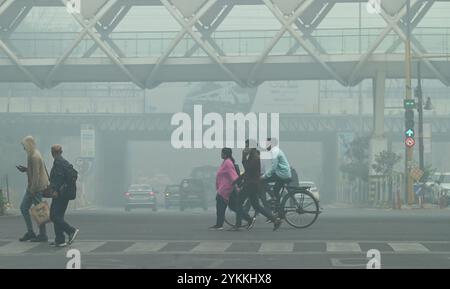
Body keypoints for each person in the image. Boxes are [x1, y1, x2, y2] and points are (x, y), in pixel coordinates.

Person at [234, 140, 282, 231]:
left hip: (250, 184)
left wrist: (243, 157)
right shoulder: (253, 156)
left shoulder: (255, 158)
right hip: (254, 184)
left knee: (238, 203)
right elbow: (247, 171)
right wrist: (238, 179)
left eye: (247, 146)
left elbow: (247, 169)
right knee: (256, 206)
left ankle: (240, 223)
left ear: (252, 147)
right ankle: (275, 220)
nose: (245, 148)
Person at [17, 136, 49, 242]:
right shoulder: (33, 154)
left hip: (36, 187)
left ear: (29, 145)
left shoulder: (35, 156)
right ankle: (32, 232)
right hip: (33, 186)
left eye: (24, 146)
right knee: (31, 209)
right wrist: (26, 169)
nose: (24, 148)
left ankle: (42, 235)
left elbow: (36, 175)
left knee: (39, 211)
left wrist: (32, 190)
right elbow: (35, 171)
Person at [48, 144, 79, 247]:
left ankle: (71, 230)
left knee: (54, 215)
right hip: (65, 193)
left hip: (60, 194)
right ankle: (60, 239)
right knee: (58, 215)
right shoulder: (64, 162)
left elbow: (59, 178)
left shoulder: (59, 163)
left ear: (53, 153)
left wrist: (55, 190)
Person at [209, 148, 239, 231]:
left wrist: (237, 187)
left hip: (225, 189)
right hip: (223, 189)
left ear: (225, 154)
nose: (221, 154)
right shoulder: (225, 162)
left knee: (220, 208)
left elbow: (234, 176)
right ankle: (219, 224)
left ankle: (219, 225)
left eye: (222, 153)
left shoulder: (228, 163)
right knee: (231, 207)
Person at [261, 137, 292, 205]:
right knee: (276, 189)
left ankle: (273, 199)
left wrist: (264, 176)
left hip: (282, 174)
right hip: (284, 173)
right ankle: (277, 204)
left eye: (267, 144)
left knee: (263, 180)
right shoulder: (276, 150)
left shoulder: (274, 152)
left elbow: (273, 167)